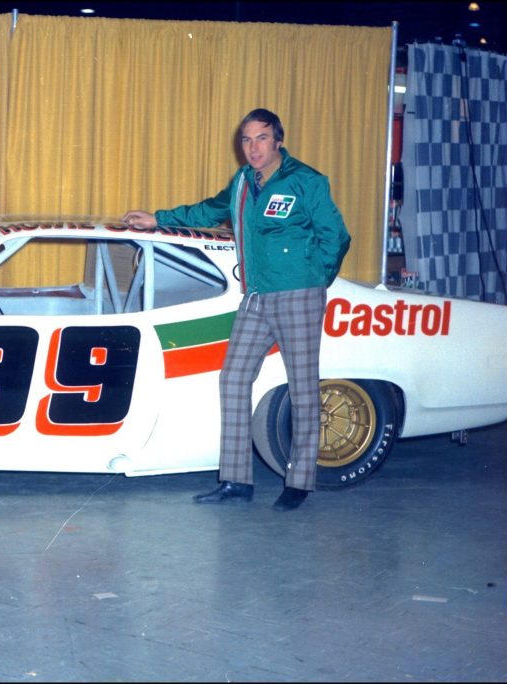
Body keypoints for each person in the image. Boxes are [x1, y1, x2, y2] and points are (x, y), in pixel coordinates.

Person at [123, 108, 351, 511]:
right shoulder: (244, 180)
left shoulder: (306, 181)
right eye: (246, 140)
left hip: (298, 295)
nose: (253, 148)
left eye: (261, 138)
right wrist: (156, 219)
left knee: (301, 388)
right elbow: (210, 211)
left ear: (278, 140)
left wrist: (314, 279)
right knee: (232, 379)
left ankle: (299, 481)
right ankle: (235, 480)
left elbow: (337, 237)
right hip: (257, 296)